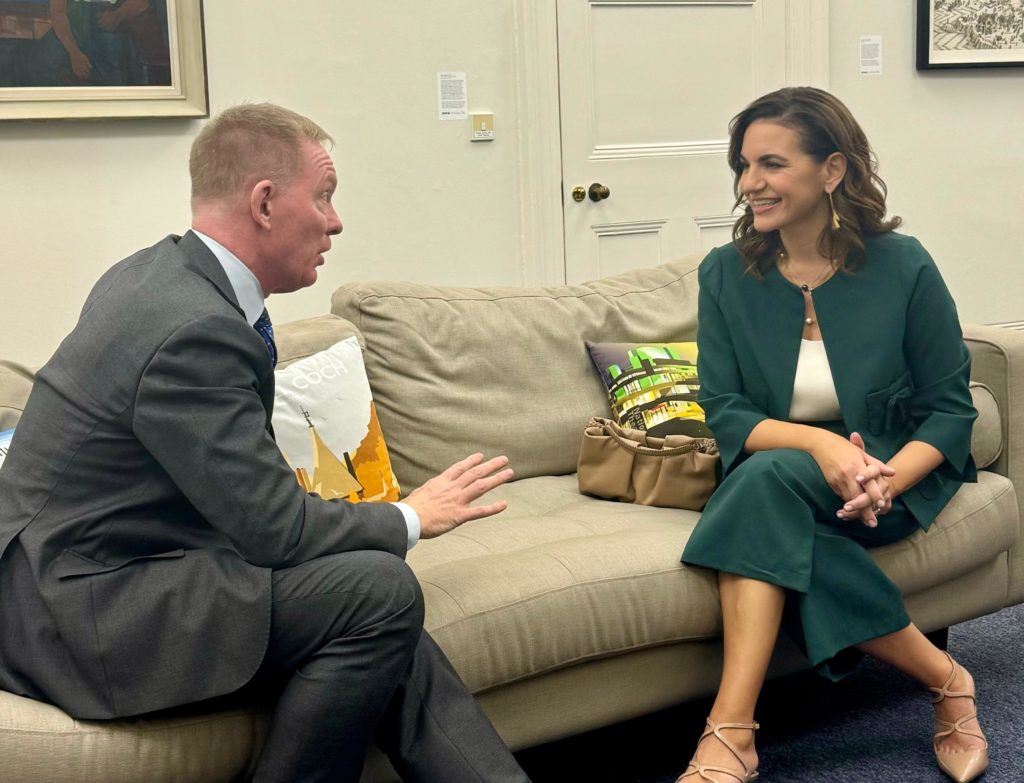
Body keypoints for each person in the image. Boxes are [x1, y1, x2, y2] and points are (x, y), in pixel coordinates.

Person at [0, 103, 531, 783]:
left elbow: (243, 502)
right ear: (265, 202)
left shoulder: (162, 274)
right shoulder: (192, 328)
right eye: (326, 196)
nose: (336, 222)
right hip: (82, 614)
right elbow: (276, 528)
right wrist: (410, 516)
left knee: (375, 612)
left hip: (96, 572)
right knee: (381, 592)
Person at [678, 87, 987, 783]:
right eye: (743, 165)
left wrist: (884, 475)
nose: (750, 183)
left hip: (890, 479)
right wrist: (820, 445)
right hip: (778, 474)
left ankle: (729, 737)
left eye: (771, 163)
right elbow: (725, 409)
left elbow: (948, 408)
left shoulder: (903, 265)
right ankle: (946, 680)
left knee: (759, 501)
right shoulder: (725, 273)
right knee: (764, 485)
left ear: (833, 170)